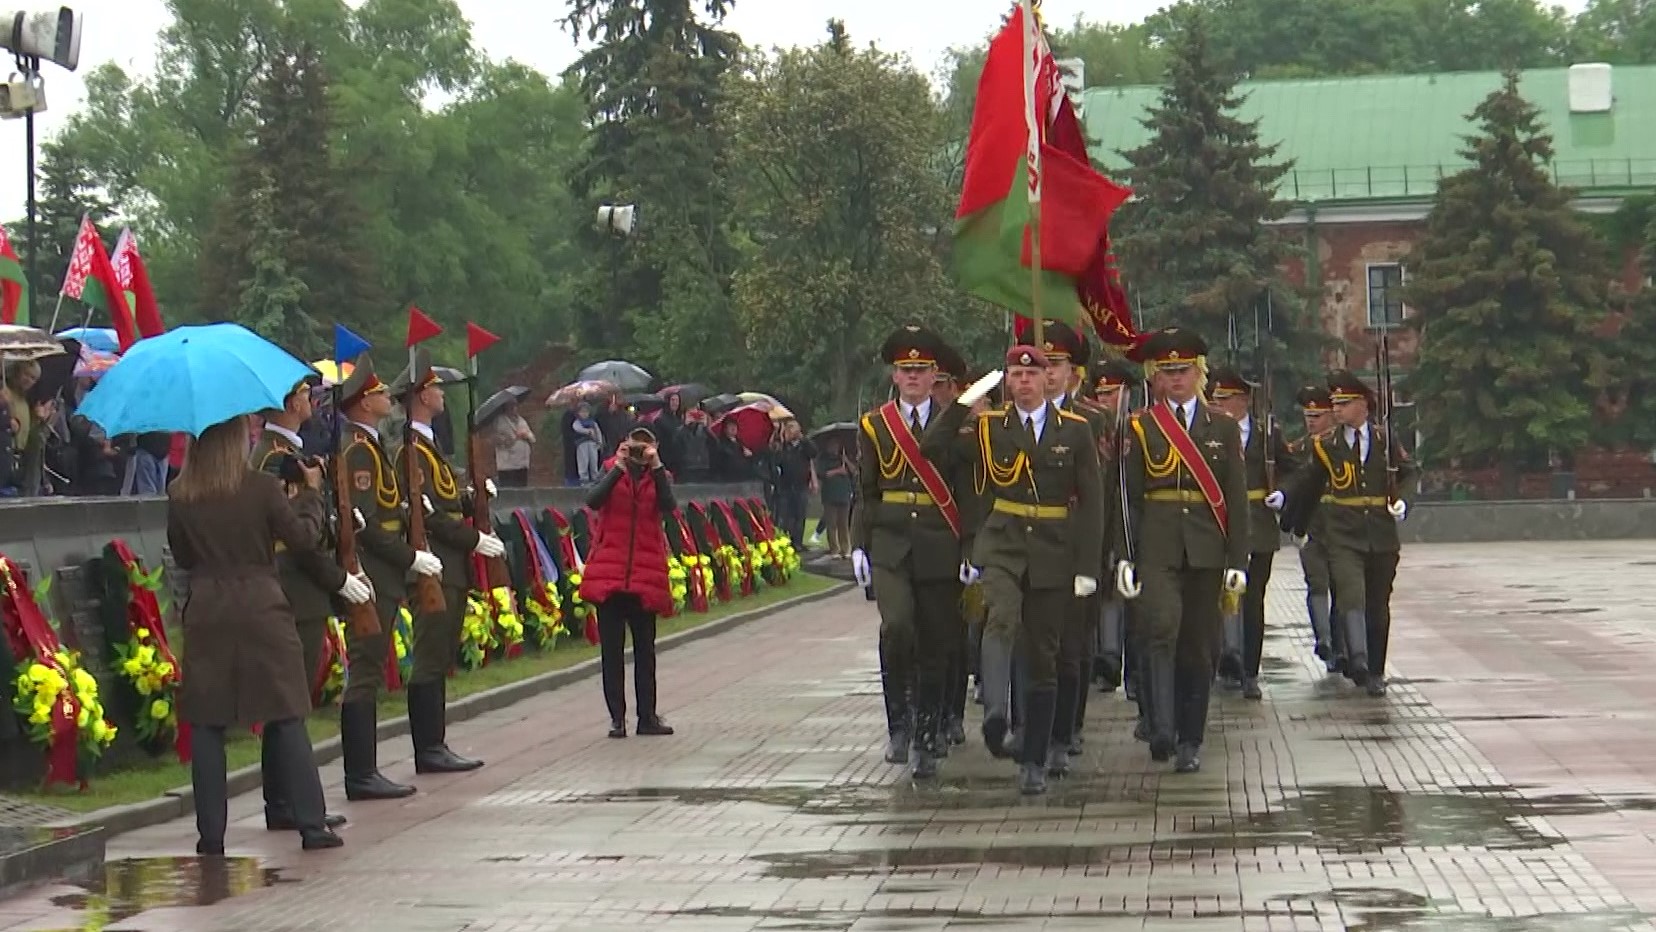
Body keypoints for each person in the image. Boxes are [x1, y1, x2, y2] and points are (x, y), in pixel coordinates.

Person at [168, 413, 372, 854]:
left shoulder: (181, 494)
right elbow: (302, 539)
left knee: (207, 723)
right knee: (286, 711)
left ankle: (211, 836)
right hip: (262, 604)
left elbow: (183, 556)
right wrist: (311, 496)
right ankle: (311, 825)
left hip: (207, 609)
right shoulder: (260, 489)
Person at [936, 345, 1103, 795]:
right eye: (1014, 374)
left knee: (1043, 656)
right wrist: (966, 400)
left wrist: (1088, 566)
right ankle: (995, 711)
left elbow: (1092, 504)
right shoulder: (990, 428)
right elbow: (933, 448)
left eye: (1032, 374)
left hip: (1054, 550)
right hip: (1004, 544)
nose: (1023, 382)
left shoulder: (1077, 431)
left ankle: (1034, 757)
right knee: (1001, 617)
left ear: (1050, 379)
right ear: (1007, 380)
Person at [1115, 327, 1248, 775]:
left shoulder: (1223, 427)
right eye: (1167, 371)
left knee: (1198, 646)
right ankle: (1163, 727)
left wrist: (1238, 561)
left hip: (1207, 550)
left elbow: (1234, 497)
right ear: (1155, 376)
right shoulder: (1139, 426)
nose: (1176, 378)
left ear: (1199, 374)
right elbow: (1127, 496)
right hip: (1157, 545)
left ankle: (1191, 738)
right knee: (1160, 629)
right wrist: (1125, 555)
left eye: (1184, 370)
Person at [851, 325, 971, 779]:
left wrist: (969, 547)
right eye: (906, 370)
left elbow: (964, 489)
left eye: (922, 369)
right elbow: (867, 489)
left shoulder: (955, 420)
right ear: (895, 376)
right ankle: (898, 725)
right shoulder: (875, 425)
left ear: (934, 373)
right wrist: (860, 544)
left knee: (937, 640)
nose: (915, 377)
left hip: (940, 542)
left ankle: (928, 732)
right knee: (897, 627)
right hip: (892, 543)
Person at [393, 351, 505, 773]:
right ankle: (428, 748)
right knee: (429, 654)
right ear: (421, 396)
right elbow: (430, 518)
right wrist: (474, 538)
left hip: (450, 565)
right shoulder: (411, 451)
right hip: (435, 565)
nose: (441, 393)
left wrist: (474, 497)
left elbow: (443, 502)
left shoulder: (427, 446)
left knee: (439, 656)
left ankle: (435, 743)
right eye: (436, 387)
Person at [250, 378, 351, 833]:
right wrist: (338, 580)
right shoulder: (276, 461)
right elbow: (300, 538)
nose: (312, 402)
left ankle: (284, 801)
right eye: (307, 396)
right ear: (291, 402)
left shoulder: (282, 453)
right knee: (288, 704)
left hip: (297, 591)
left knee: (286, 702)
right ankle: (286, 801)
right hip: (294, 590)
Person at [1279, 370, 1415, 697]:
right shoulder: (1327, 444)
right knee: (1350, 593)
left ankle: (1377, 670)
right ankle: (1358, 658)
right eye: (1335, 403)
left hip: (1381, 533)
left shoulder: (1385, 440)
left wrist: (1403, 501)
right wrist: (1286, 498)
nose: (1337, 410)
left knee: (1378, 604)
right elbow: (1308, 479)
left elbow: (1410, 473)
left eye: (1344, 403)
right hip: (1343, 533)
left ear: (1363, 405)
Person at [335, 358, 432, 801]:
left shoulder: (372, 447)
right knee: (366, 669)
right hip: (374, 573)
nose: (387, 399)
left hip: (388, 573)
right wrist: (409, 556)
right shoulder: (358, 450)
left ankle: (365, 770)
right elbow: (364, 523)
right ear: (361, 404)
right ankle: (360, 774)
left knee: (371, 669)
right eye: (378, 394)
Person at [1020, 320, 1112, 774]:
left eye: (1055, 363)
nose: (1048, 372)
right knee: (1031, 645)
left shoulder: (1093, 421)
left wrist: (1105, 553)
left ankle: (1065, 729)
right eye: (1042, 363)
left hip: (1075, 543)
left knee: (1071, 647)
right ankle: (1031, 728)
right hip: (1026, 546)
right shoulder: (1008, 418)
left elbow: (1104, 493)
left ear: (1072, 370)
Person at [579, 427, 677, 739]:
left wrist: (656, 464)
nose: (640, 451)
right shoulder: (610, 470)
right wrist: (619, 468)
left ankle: (646, 717)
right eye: (635, 444)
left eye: (646, 445)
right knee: (611, 652)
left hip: (644, 575)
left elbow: (668, 506)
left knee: (645, 652)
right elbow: (593, 501)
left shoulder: (660, 476)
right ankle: (616, 719)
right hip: (610, 573)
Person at [1207, 367, 1294, 701]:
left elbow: (1292, 470)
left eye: (1224, 399)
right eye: (1215, 399)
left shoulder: (1266, 435)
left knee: (1252, 597)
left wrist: (1283, 493)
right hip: (1220, 522)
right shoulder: (1209, 432)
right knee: (1222, 594)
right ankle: (1226, 658)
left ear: (1243, 401)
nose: (1217, 404)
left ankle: (1249, 671)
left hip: (1258, 524)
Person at [1280, 385, 1341, 671]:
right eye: (1308, 415)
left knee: (1343, 587)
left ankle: (1342, 645)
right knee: (1317, 584)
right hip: (1312, 526)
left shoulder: (1342, 446)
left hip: (1343, 527)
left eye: (1318, 415)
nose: (1311, 421)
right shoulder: (1298, 450)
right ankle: (1325, 640)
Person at [771, 420, 816, 546]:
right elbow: (777, 461)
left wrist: (803, 439)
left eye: (793, 429)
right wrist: (782, 441)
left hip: (801, 485)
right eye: (789, 429)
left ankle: (798, 542)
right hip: (786, 486)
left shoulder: (804, 446)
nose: (791, 432)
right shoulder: (784, 447)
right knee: (787, 516)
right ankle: (787, 540)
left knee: (800, 515)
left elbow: (814, 452)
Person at [814, 435, 855, 558]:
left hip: (844, 494)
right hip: (830, 494)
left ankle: (845, 549)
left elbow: (854, 472)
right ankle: (834, 549)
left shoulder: (844, 459)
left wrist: (846, 460)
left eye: (837, 445)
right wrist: (837, 471)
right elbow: (822, 474)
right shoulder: (823, 459)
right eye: (832, 445)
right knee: (831, 523)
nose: (835, 448)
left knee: (844, 524)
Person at [489, 399, 535, 488]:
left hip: (522, 463)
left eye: (515, 406)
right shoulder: (500, 421)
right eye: (511, 406)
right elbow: (497, 440)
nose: (514, 408)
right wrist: (515, 437)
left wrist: (526, 435)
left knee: (522, 488)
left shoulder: (521, 420)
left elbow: (532, 437)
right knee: (509, 488)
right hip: (507, 464)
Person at [572, 402, 605, 483]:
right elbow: (577, 428)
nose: (584, 414)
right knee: (583, 461)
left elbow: (598, 432)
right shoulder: (577, 422)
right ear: (578, 413)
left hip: (593, 443)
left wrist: (600, 442)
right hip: (582, 444)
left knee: (594, 460)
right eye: (582, 412)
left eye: (586, 411)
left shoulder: (593, 423)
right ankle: (584, 478)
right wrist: (588, 431)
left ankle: (595, 477)